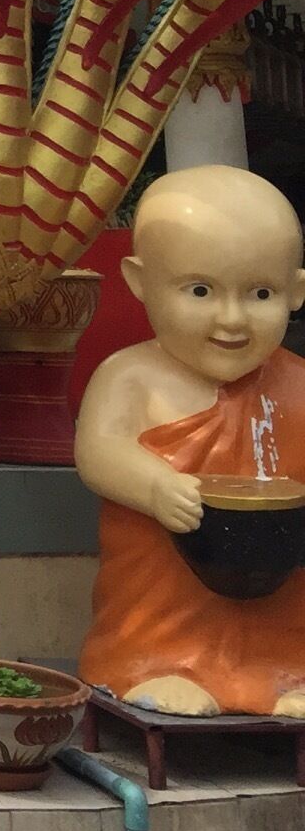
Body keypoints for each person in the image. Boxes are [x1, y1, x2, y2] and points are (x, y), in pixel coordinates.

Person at [75, 165, 305, 715]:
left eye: (261, 293)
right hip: (165, 584)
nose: (231, 318)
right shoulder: (130, 375)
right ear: (139, 282)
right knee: (157, 616)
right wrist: (156, 486)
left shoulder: (297, 381)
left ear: (297, 291)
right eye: (200, 290)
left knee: (287, 617)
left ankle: (284, 673)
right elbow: (98, 450)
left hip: (278, 576)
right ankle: (154, 667)